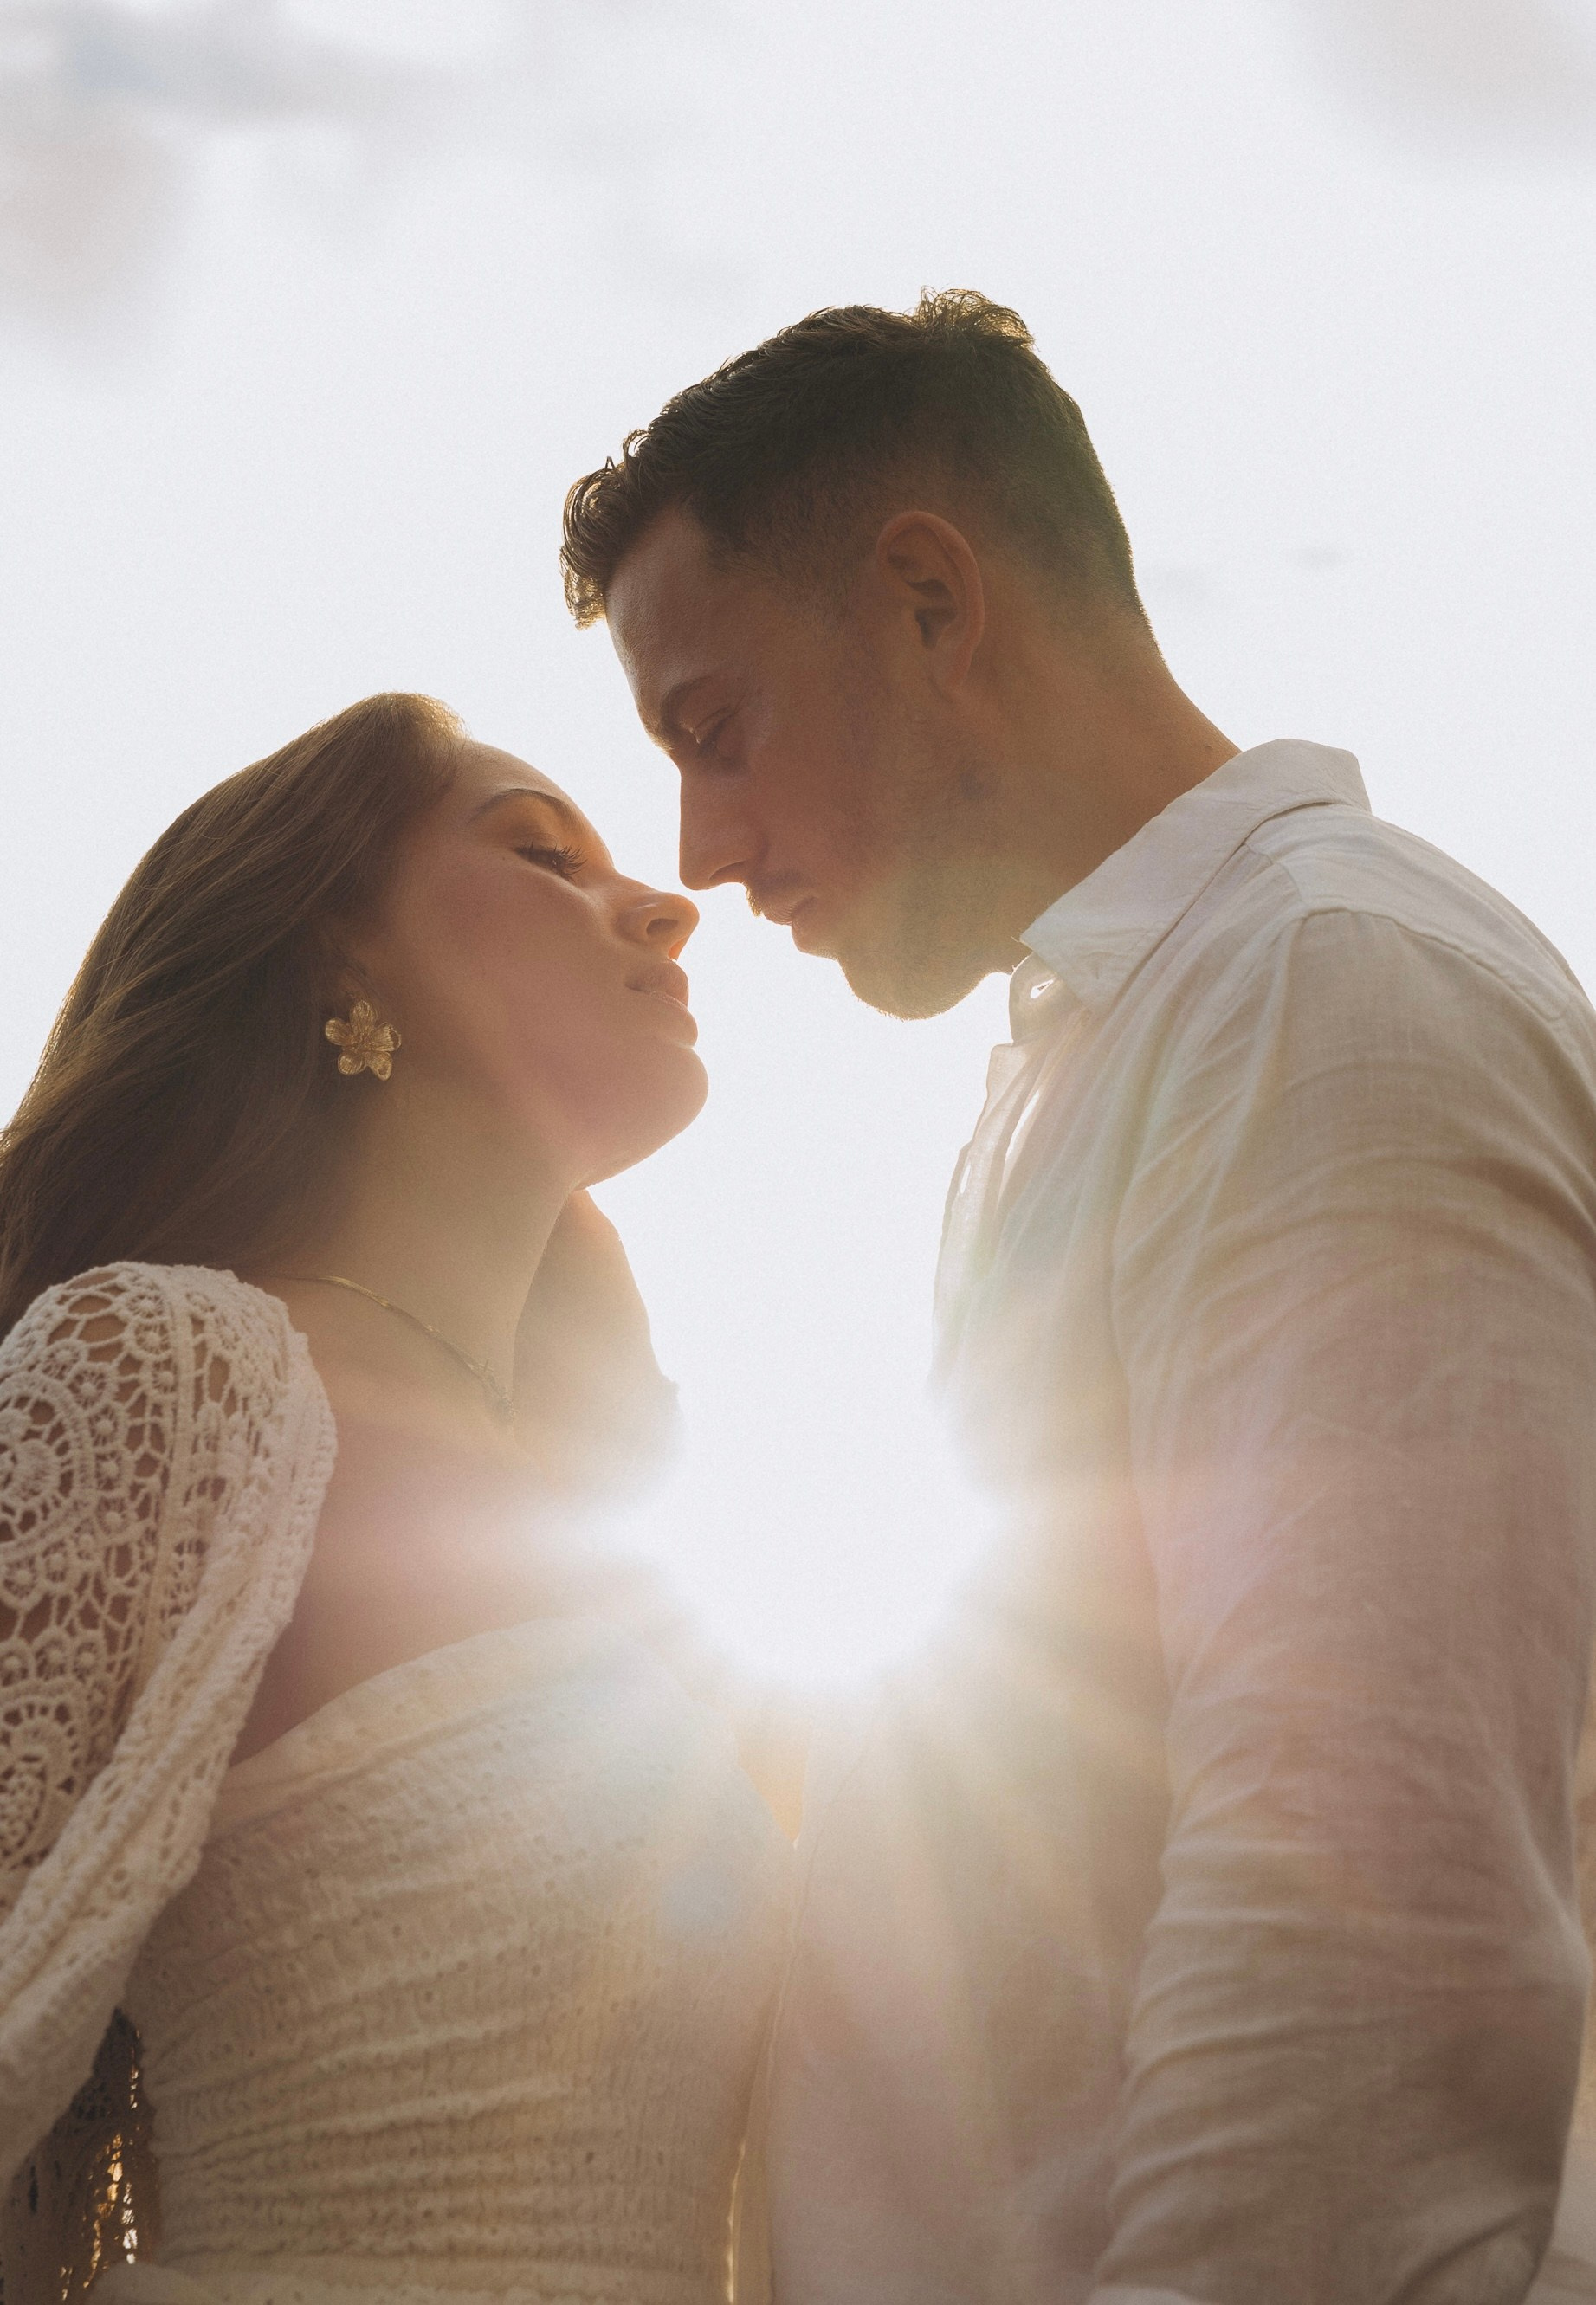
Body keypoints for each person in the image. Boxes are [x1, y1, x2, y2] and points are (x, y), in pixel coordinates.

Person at [561, 290, 1596, 2302]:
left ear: (932, 603)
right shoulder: (1096, 1055)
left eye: (714, 727)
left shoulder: (1321, 991)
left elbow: (1360, 1887)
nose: (702, 844)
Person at [0, 692, 793, 2302]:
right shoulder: (164, 1371)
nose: (663, 899)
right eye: (540, 854)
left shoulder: (640, 1527)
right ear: (335, 960)